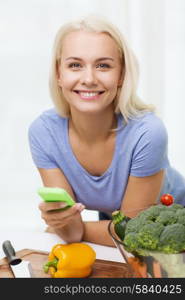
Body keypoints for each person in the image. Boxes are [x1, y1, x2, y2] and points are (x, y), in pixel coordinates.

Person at [28, 15, 185, 247]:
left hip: (173, 229)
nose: (89, 79)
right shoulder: (44, 133)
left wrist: (70, 227)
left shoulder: (148, 133)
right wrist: (64, 223)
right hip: (116, 227)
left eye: (103, 65)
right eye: (75, 65)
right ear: (59, 74)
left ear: (121, 75)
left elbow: (135, 232)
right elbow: (74, 230)